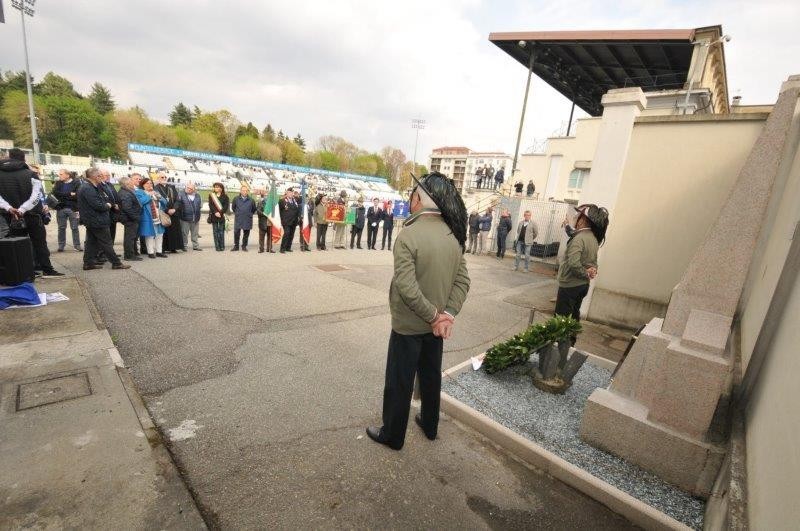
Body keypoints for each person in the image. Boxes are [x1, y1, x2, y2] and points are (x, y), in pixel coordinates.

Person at [366, 171, 470, 450]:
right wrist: (447, 314)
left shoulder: (408, 235)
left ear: (417, 200)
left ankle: (393, 435)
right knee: (430, 377)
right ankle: (430, 425)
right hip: (436, 328)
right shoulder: (453, 237)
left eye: (412, 195)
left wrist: (435, 316)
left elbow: (406, 286)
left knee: (399, 381)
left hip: (409, 325)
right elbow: (463, 280)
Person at [0, 149, 63, 276]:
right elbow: (36, 196)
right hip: (32, 214)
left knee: (18, 245)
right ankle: (47, 269)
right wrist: (23, 209)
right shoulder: (31, 174)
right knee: (40, 243)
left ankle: (24, 272)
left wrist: (9, 208)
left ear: (9, 157)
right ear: (23, 158)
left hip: (11, 215)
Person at [555, 204, 609, 345]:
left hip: (570, 285)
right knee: (574, 316)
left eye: (578, 216)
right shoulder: (593, 238)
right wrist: (592, 270)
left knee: (561, 320)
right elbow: (593, 261)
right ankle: (570, 344)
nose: (575, 218)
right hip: (582, 286)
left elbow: (573, 263)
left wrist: (585, 273)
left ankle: (560, 349)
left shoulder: (579, 238)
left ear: (583, 220)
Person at [77, 168, 130, 271]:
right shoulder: (88, 188)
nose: (102, 177)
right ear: (95, 177)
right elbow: (99, 205)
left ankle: (88, 263)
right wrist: (108, 205)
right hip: (96, 220)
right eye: (100, 175)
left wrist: (106, 203)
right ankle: (116, 263)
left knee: (91, 243)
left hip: (94, 220)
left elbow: (103, 199)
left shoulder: (92, 186)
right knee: (106, 242)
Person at [136, 177, 169, 259]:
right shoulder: (139, 192)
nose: (149, 185)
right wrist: (149, 195)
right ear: (142, 185)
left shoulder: (156, 192)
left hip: (158, 216)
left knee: (160, 234)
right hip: (148, 216)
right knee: (150, 235)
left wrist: (160, 197)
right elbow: (140, 202)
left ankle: (159, 251)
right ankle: (150, 252)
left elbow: (165, 203)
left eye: (151, 183)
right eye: (147, 183)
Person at [52, 168, 82, 251]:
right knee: (61, 228)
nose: (59, 175)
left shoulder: (76, 182)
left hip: (73, 209)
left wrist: (64, 196)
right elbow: (55, 193)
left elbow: (77, 195)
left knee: (75, 228)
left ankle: (77, 245)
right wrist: (69, 194)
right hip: (61, 208)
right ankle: (61, 245)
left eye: (61, 174)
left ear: (67, 175)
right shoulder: (58, 183)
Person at [155, 172, 183, 253]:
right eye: (162, 177)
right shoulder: (156, 188)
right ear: (158, 179)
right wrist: (167, 210)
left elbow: (178, 200)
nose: (164, 179)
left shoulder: (171, 187)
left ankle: (173, 247)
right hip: (163, 212)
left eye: (165, 177)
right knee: (165, 231)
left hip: (173, 212)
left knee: (174, 231)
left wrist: (174, 209)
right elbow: (158, 201)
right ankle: (163, 249)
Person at [117, 176, 142, 261]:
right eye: (131, 182)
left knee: (131, 237)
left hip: (130, 218)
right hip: (130, 219)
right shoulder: (125, 193)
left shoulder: (126, 191)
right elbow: (127, 208)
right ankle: (129, 255)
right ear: (127, 184)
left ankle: (132, 253)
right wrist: (135, 217)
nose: (133, 183)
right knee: (130, 237)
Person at [177, 182, 203, 251]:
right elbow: (178, 205)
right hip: (185, 218)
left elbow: (200, 206)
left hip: (195, 218)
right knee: (184, 233)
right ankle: (184, 246)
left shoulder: (198, 196)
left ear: (194, 189)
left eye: (191, 189)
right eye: (187, 188)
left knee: (195, 233)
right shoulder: (181, 194)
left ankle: (195, 246)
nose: (189, 189)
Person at [231, 184, 256, 252]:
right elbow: (233, 208)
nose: (244, 192)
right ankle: (236, 246)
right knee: (236, 233)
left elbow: (254, 209)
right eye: (243, 190)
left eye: (246, 191)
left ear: (247, 191)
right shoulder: (236, 199)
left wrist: (249, 214)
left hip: (247, 219)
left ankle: (244, 246)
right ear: (240, 191)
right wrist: (238, 213)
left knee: (246, 234)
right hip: (238, 219)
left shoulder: (251, 200)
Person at [208, 182, 230, 251]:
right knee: (215, 231)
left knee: (221, 231)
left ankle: (222, 246)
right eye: (215, 187)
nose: (217, 188)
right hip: (214, 216)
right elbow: (210, 205)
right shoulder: (211, 195)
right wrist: (215, 212)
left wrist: (220, 212)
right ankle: (217, 246)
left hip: (222, 216)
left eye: (218, 187)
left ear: (221, 188)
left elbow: (226, 206)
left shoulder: (225, 196)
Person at [279, 187, 300, 253]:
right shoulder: (282, 200)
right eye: (290, 192)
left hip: (294, 221)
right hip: (286, 221)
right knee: (287, 233)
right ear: (287, 193)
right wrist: (281, 219)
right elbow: (279, 210)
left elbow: (296, 210)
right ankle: (282, 248)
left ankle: (288, 247)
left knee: (291, 234)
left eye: (292, 193)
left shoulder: (294, 201)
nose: (291, 194)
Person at [255, 189, 275, 253]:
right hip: (262, 222)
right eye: (266, 195)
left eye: (268, 195)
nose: (267, 196)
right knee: (261, 236)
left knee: (270, 236)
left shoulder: (272, 204)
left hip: (270, 222)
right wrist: (265, 214)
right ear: (263, 196)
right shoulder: (260, 202)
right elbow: (258, 211)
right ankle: (261, 249)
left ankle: (269, 248)